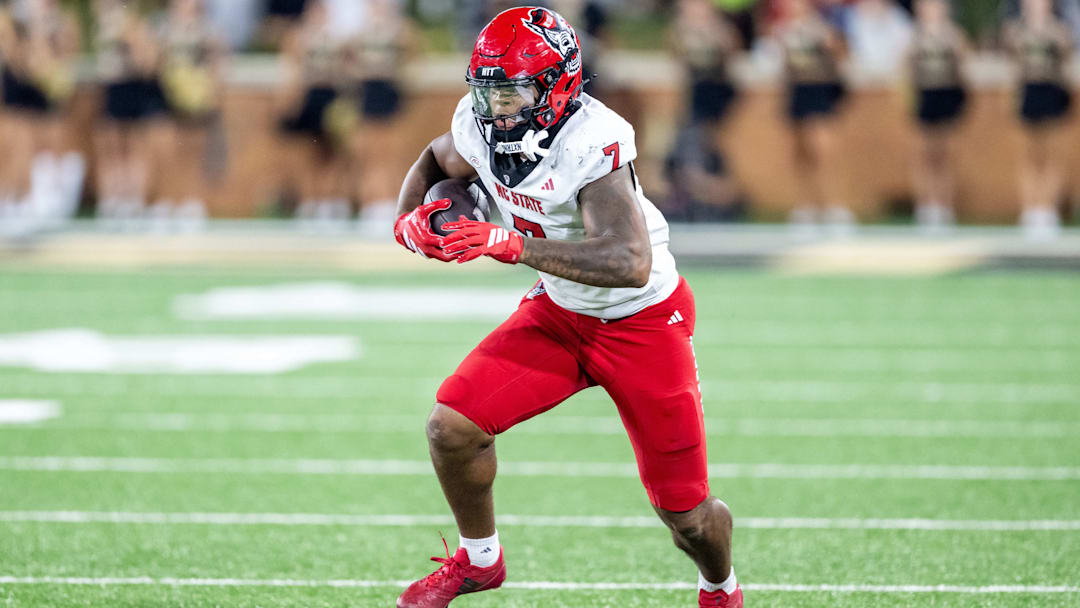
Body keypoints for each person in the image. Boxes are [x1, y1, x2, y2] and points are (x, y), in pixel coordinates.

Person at [392, 7, 742, 608]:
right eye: (488, 90)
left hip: (642, 320)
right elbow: (436, 159)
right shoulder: (481, 121)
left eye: (512, 92)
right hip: (561, 312)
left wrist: (511, 243)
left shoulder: (593, 139)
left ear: (555, 86)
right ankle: (481, 561)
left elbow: (628, 260)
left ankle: (721, 587)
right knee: (452, 428)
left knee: (686, 515)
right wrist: (408, 221)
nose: (496, 107)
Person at [0, 0, 82, 234]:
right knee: (13, 142)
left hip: (43, 89)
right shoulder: (12, 18)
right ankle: (11, 200)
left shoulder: (61, 21)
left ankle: (38, 202)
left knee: (41, 144)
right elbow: (13, 56)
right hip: (18, 88)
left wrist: (41, 44)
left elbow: (66, 54)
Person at [774, 0, 853, 235]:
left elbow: (841, 56)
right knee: (800, 153)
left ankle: (835, 206)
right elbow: (782, 66)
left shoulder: (822, 29)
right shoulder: (784, 33)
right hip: (797, 92)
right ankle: (805, 207)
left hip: (818, 92)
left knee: (824, 150)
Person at [151, 0, 227, 232]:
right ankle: (166, 201)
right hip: (169, 95)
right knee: (167, 150)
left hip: (197, 96)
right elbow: (154, 60)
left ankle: (192, 202)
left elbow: (217, 61)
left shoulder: (208, 28)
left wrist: (211, 90)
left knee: (194, 150)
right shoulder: (163, 25)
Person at [93, 0, 167, 229]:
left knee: (134, 146)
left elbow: (147, 61)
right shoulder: (105, 17)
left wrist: (133, 39)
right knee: (111, 146)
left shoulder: (132, 20)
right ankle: (112, 201)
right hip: (111, 86)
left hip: (130, 85)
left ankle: (134, 200)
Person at [1005, 0, 1073, 239]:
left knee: (1051, 153)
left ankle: (1048, 208)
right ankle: (1030, 208)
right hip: (1028, 92)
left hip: (1051, 90)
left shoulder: (1058, 30)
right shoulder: (1017, 30)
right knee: (1029, 154)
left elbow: (1066, 54)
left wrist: (1051, 30)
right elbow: (1011, 61)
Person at [906, 0, 970, 233]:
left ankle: (945, 204)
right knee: (924, 153)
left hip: (947, 95)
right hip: (924, 95)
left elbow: (962, 69)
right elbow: (905, 70)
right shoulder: (913, 38)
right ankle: (926, 204)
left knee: (946, 152)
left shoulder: (954, 36)